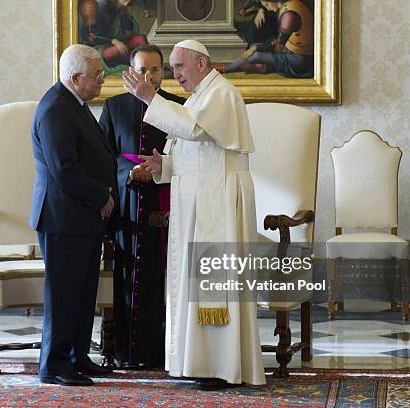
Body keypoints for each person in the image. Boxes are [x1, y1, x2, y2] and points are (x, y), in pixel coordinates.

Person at [122, 39, 265, 390]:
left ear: (201, 63)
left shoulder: (220, 92)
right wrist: (164, 165)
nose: (175, 75)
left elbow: (194, 130)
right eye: (172, 69)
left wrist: (148, 98)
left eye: (179, 67)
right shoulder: (201, 96)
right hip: (202, 197)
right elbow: (198, 148)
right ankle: (204, 361)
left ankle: (222, 366)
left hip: (218, 199)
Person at [29, 44, 118, 386]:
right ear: (75, 77)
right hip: (63, 218)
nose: (101, 81)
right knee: (64, 295)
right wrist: (102, 196)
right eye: (97, 76)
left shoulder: (74, 104)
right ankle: (54, 366)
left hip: (81, 217)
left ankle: (77, 357)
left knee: (82, 293)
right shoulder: (55, 108)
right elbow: (64, 169)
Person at [99, 44, 186, 369]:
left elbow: (188, 155)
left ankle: (168, 352)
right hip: (127, 206)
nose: (148, 77)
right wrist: (127, 173)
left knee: (165, 280)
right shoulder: (114, 106)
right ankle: (125, 351)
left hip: (166, 206)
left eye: (155, 70)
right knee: (127, 278)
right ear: (130, 73)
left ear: (163, 72)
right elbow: (103, 157)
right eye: (142, 70)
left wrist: (160, 169)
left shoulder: (178, 107)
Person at [220, 0, 313, 78]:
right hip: (300, 55)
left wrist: (255, 48)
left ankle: (224, 69)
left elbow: (278, 47)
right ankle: (266, 67)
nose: (267, 8)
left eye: (267, 4)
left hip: (298, 61)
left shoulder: (287, 17)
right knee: (262, 44)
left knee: (256, 55)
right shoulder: (291, 4)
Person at [79, 0, 148, 69]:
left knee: (141, 39)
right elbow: (94, 39)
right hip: (103, 48)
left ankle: (144, 62)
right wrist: (113, 41)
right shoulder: (102, 10)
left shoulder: (120, 9)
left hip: (123, 42)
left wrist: (123, 14)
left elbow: (129, 31)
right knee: (116, 51)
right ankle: (133, 60)